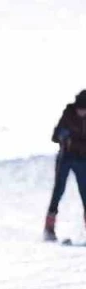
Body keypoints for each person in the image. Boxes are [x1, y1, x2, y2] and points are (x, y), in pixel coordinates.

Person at [46, 90, 86, 241]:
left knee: (85, 193)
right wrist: (62, 136)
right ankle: (49, 228)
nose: (81, 112)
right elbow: (55, 136)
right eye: (80, 108)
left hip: (82, 160)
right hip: (66, 158)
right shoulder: (68, 114)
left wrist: (74, 142)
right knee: (58, 191)